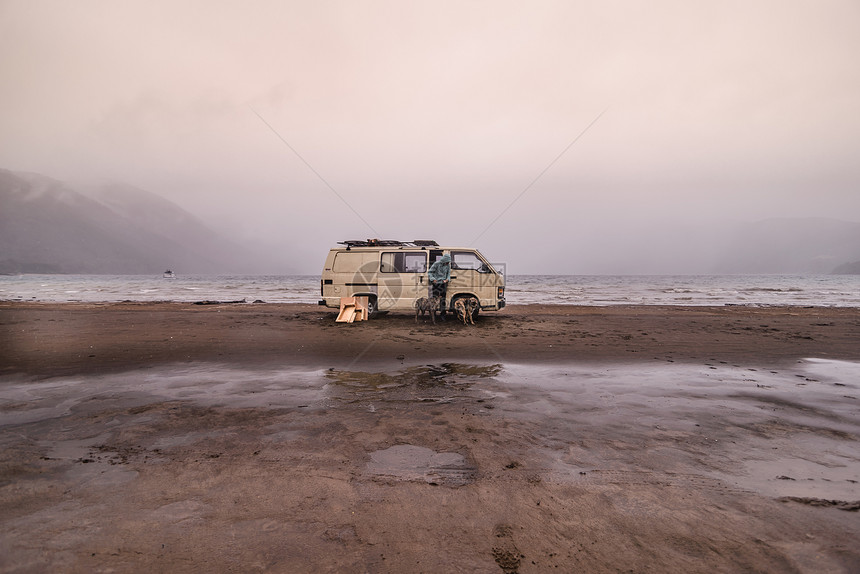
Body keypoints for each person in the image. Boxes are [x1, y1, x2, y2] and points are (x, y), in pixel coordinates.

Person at [428, 253, 451, 320]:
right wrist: (433, 279)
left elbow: (448, 274)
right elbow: (430, 272)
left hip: (443, 284)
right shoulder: (436, 264)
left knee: (443, 300)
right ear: (444, 260)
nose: (448, 263)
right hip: (436, 284)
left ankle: (443, 315)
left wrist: (447, 279)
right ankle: (433, 314)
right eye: (447, 261)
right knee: (434, 300)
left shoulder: (448, 266)